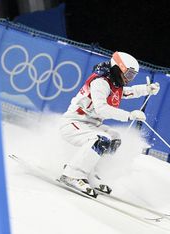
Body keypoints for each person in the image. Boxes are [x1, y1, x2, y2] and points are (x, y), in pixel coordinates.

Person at [59, 51, 160, 197]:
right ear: (119, 68)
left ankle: (91, 173)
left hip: (90, 124)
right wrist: (129, 115)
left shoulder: (114, 82)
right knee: (101, 139)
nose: (129, 79)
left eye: (133, 75)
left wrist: (146, 89)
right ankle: (72, 174)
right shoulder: (100, 82)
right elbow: (102, 109)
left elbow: (125, 92)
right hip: (74, 123)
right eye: (129, 74)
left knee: (114, 139)